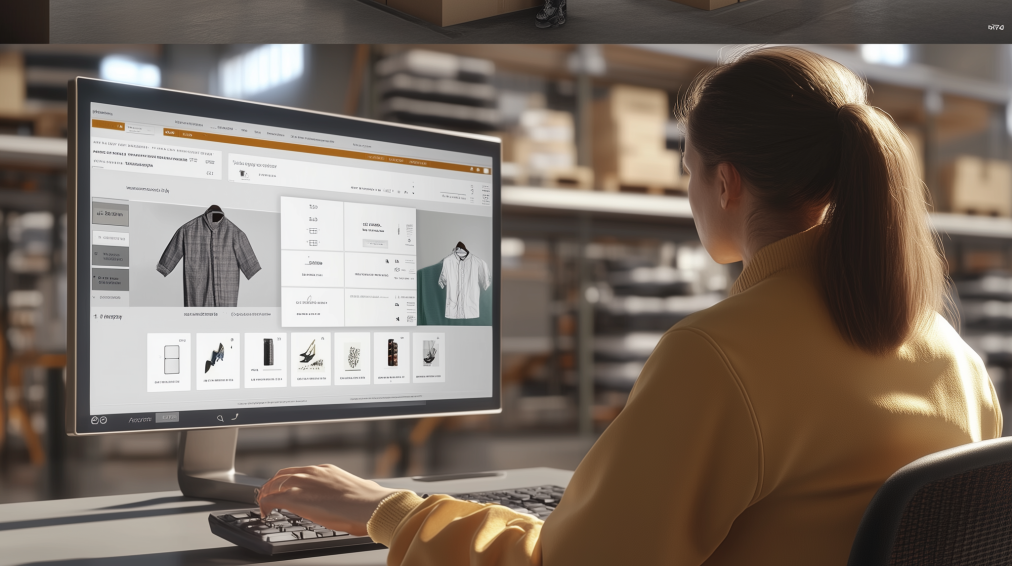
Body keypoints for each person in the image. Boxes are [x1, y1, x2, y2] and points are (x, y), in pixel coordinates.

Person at [255, 47, 1000, 566]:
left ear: (727, 183)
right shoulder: (953, 359)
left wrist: (387, 510)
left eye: (688, 170)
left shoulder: (719, 357)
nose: (686, 191)